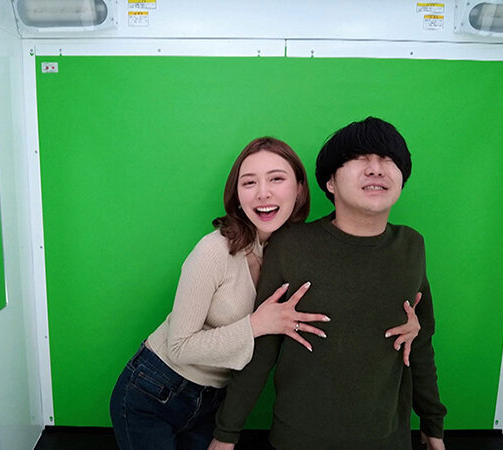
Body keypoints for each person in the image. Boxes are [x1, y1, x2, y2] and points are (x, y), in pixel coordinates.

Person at [109, 137, 423, 450]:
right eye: (249, 183)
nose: (263, 193)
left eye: (276, 179)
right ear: (237, 195)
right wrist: (257, 325)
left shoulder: (289, 248)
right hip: (155, 388)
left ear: (299, 189)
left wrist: (408, 323)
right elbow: (179, 348)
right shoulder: (213, 250)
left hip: (213, 398)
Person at [210, 118, 447, 450]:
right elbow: (262, 350)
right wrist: (226, 434)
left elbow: (420, 342)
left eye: (388, 159)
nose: (376, 168)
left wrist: (433, 424)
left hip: (387, 439)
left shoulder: (411, 246)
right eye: (360, 158)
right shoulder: (291, 245)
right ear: (330, 182)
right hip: (298, 439)